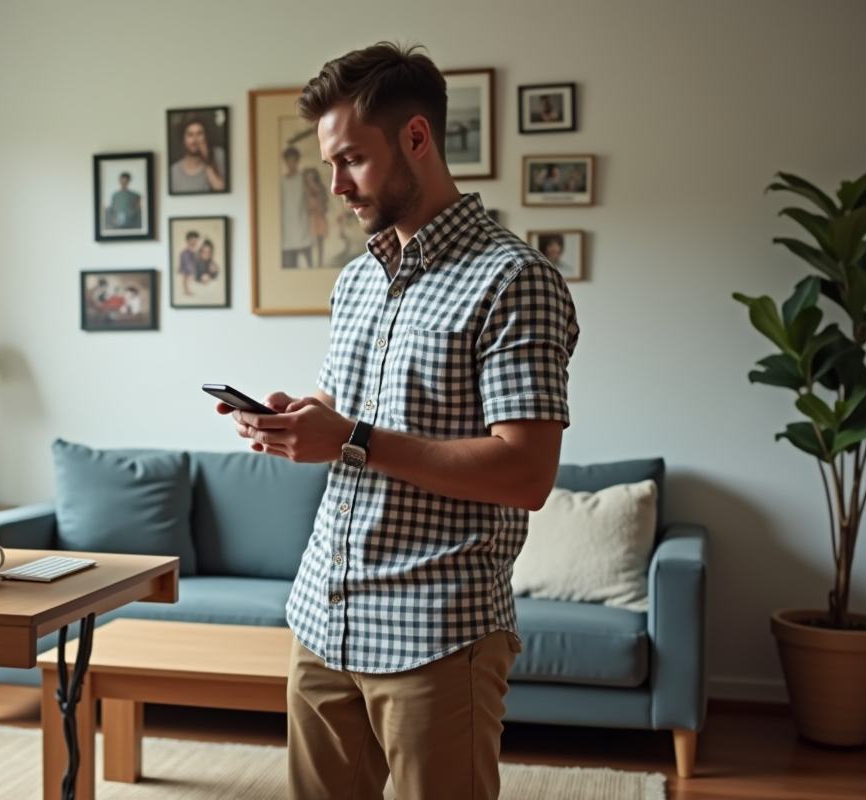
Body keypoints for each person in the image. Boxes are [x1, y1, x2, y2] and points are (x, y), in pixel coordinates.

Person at [217, 41, 579, 800]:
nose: (337, 186)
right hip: (322, 614)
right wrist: (301, 418)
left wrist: (350, 438)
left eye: (351, 159)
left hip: (436, 631)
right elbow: (352, 416)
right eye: (329, 166)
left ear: (416, 138)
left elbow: (526, 474)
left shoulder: (515, 280)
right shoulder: (355, 281)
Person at [170, 116, 226, 193]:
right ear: (183, 140)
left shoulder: (219, 155)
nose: (195, 139)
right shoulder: (174, 171)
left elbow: (221, 190)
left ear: (205, 136)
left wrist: (208, 160)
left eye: (199, 134)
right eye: (190, 135)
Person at [280, 147, 313, 267]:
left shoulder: (303, 179)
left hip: (302, 228)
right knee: (289, 266)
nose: (292, 164)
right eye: (289, 161)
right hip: (286, 231)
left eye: (294, 161)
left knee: (309, 266)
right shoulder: (281, 182)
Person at [302, 167, 330, 266]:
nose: (310, 181)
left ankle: (319, 263)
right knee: (310, 242)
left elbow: (324, 203)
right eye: (308, 179)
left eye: (312, 178)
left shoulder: (321, 188)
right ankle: (310, 264)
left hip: (320, 217)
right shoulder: (304, 190)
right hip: (310, 219)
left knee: (320, 242)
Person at [178, 231, 201, 295]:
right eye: (193, 240)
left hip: (192, 267)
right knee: (186, 277)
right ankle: (186, 290)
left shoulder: (194, 250)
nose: (195, 242)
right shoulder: (185, 252)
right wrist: (192, 271)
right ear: (188, 240)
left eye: (196, 240)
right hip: (187, 268)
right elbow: (188, 263)